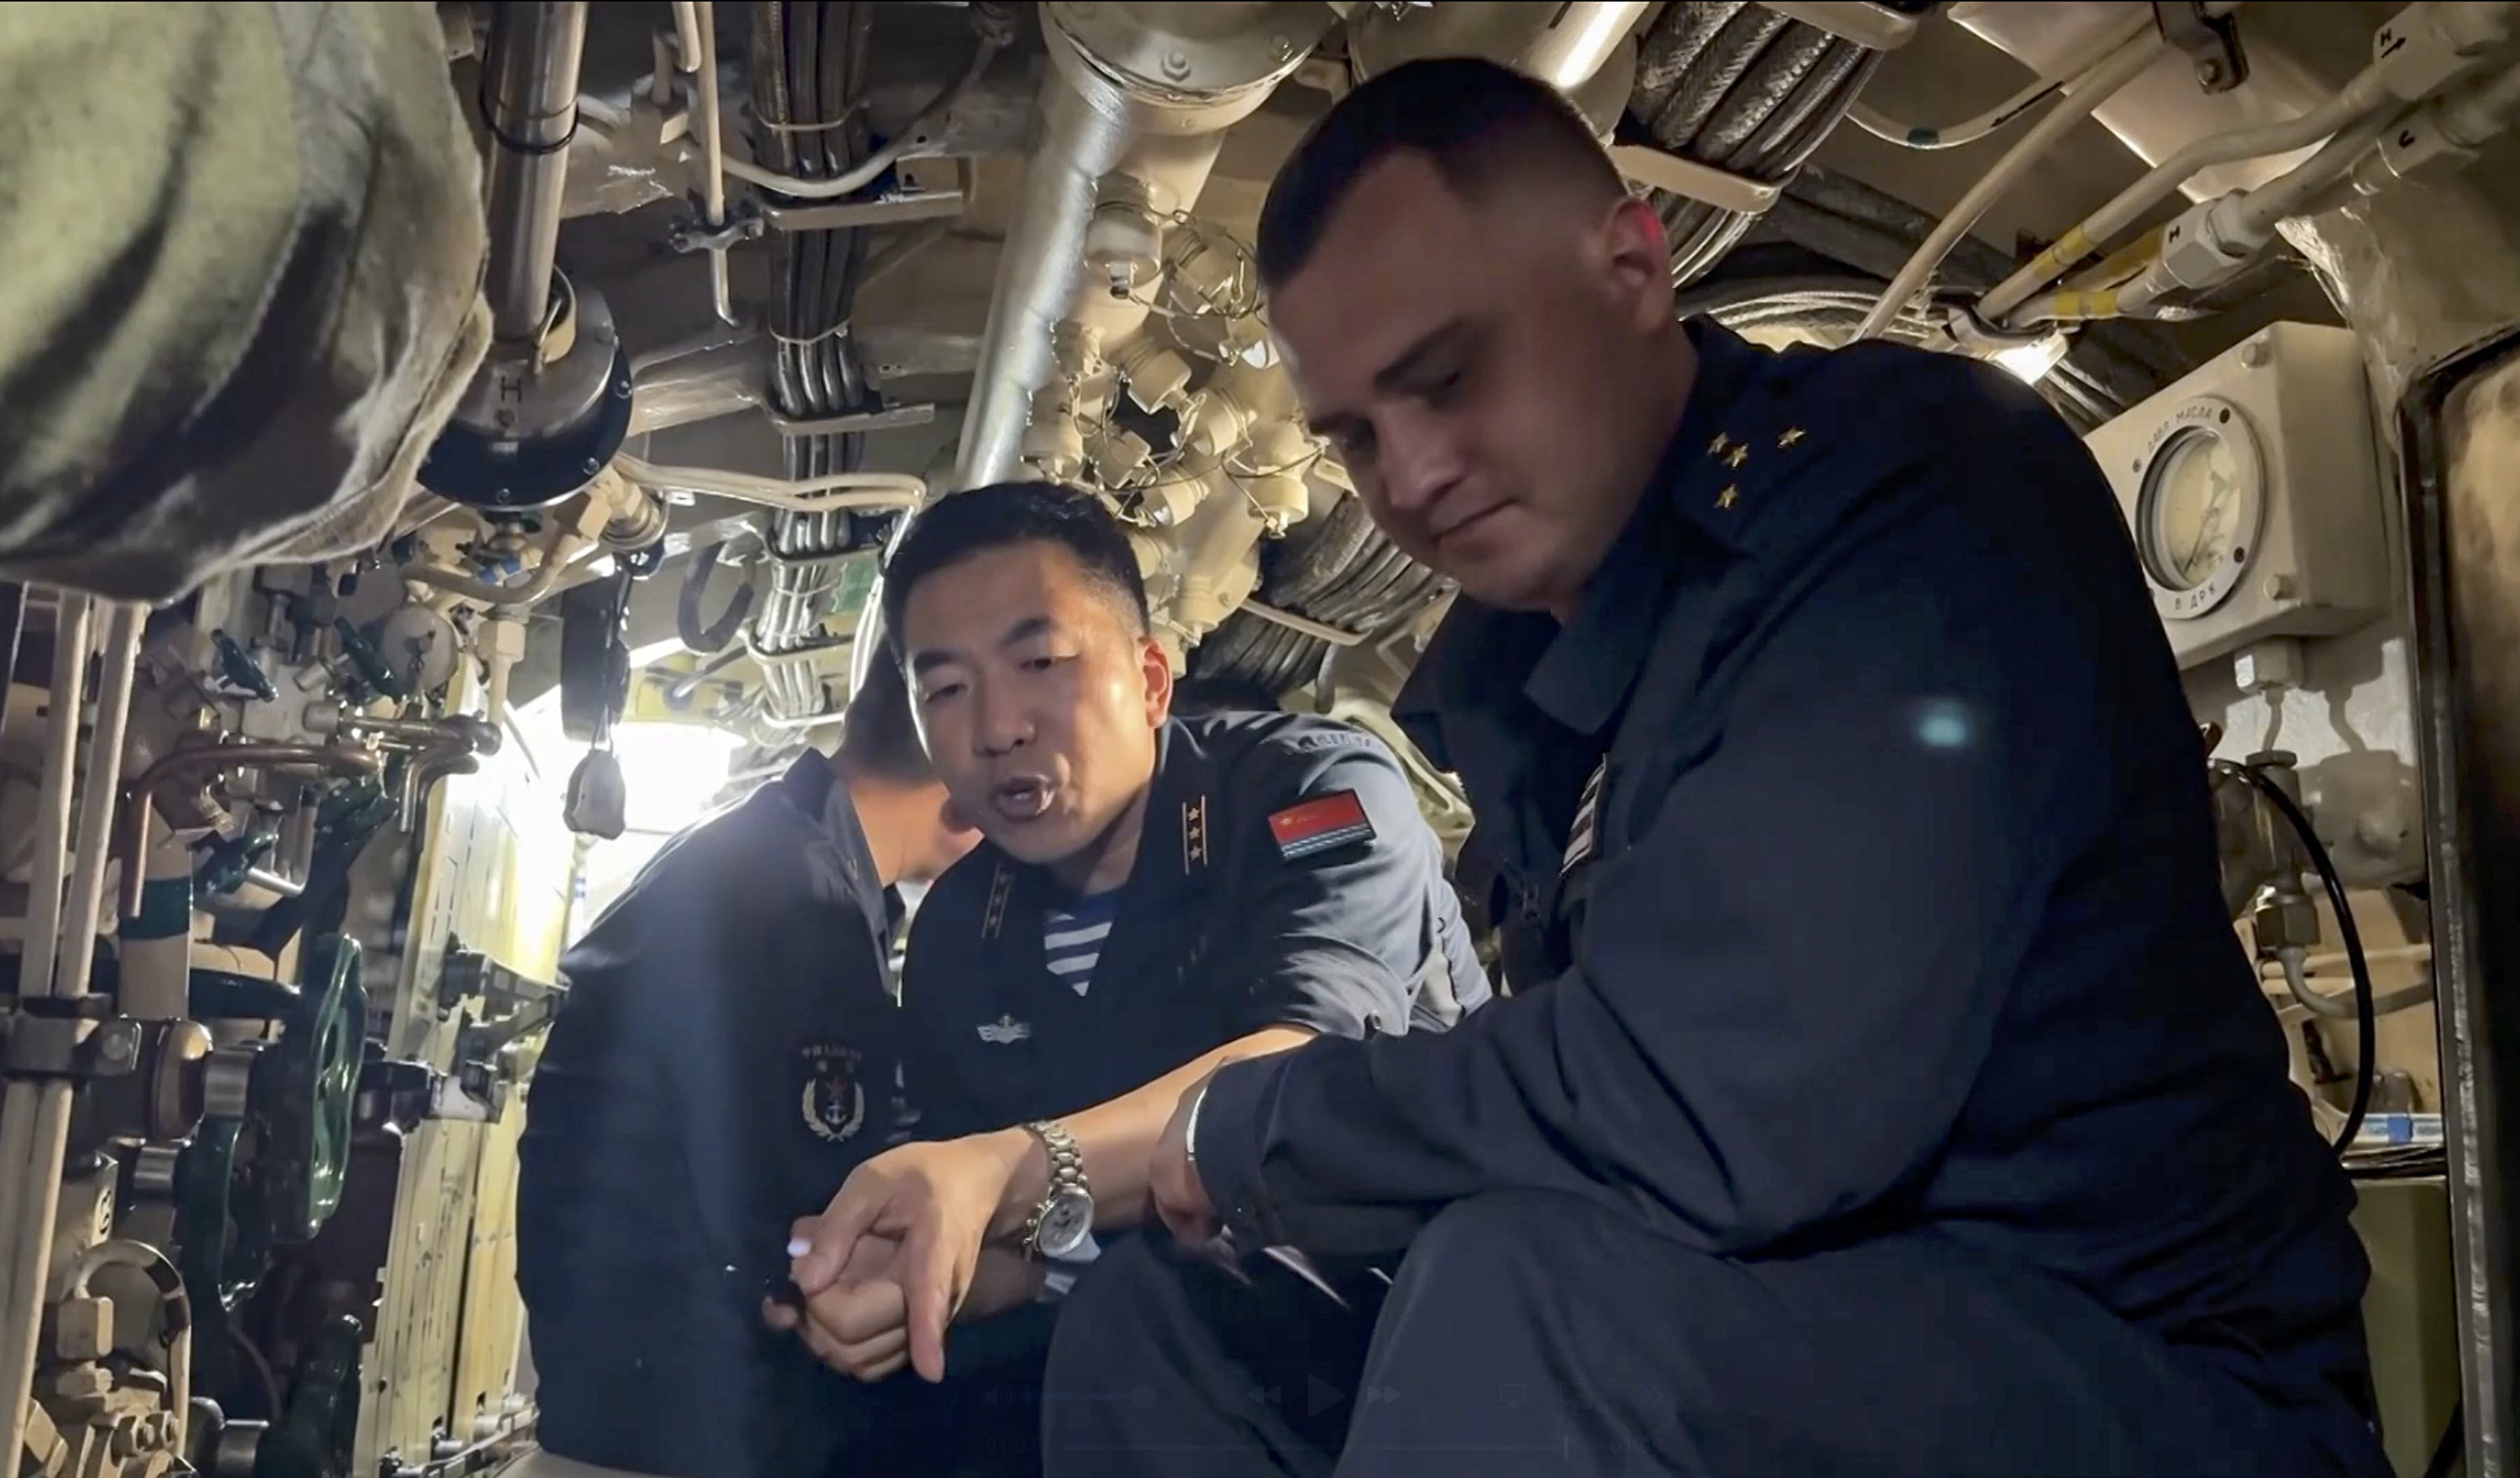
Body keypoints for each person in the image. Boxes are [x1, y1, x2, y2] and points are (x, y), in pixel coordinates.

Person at [1040, 57, 2391, 1478]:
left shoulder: (1907, 504)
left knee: (1530, 1308)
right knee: (1177, 1325)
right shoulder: (1525, 680)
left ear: (1632, 267)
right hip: (1807, 1315)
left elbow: (1712, 1109)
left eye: (1448, 378)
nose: (1414, 475)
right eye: (1357, 436)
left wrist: (1247, 1133)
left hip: (2139, 1361)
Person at [780, 479, 1490, 1395]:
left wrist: (1007, 1167)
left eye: (1041, 665)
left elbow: (1305, 1061)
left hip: (1411, 1319)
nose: (998, 729)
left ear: (1152, 682)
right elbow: (1033, 1258)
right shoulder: (959, 927)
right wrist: (914, 1279)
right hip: (1140, 1349)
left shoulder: (1310, 794)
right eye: (948, 689)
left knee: (1138, 1312)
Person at [513, 660, 1010, 1478]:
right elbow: (812, 1215)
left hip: (623, 1398)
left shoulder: (760, 851)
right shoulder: (800, 903)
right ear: (962, 804)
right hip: (679, 1423)